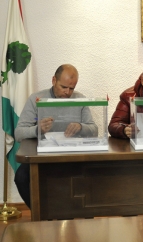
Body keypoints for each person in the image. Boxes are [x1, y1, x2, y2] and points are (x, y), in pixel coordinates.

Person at [14, 64, 98, 208]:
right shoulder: (36, 99)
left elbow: (94, 130)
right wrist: (37, 129)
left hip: (71, 155)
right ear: (54, 80)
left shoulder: (80, 99)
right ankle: (41, 213)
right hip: (42, 155)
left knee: (89, 175)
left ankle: (67, 215)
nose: (67, 92)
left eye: (72, 88)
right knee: (21, 177)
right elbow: (18, 133)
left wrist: (80, 127)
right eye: (63, 87)